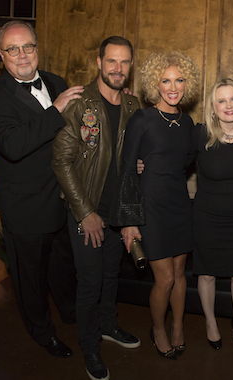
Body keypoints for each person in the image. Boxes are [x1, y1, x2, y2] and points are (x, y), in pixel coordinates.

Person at [0, 20, 82, 358]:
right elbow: (14, 144)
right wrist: (56, 110)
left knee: (63, 268)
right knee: (31, 279)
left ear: (38, 48)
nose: (22, 55)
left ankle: (72, 315)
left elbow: (74, 137)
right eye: (13, 49)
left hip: (63, 200)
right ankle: (42, 333)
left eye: (28, 47)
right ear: (1, 56)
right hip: (26, 206)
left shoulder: (55, 82)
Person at [52, 36, 142, 380]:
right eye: (112, 61)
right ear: (99, 62)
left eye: (124, 62)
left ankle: (108, 326)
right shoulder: (78, 104)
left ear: (130, 66)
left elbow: (132, 156)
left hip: (117, 212)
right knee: (90, 283)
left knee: (111, 276)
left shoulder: (134, 107)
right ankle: (90, 347)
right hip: (85, 211)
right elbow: (61, 162)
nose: (118, 69)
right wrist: (85, 212)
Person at [116, 51, 200, 360]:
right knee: (163, 278)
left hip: (179, 203)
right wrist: (128, 219)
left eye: (179, 80)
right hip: (149, 207)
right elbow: (126, 169)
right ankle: (158, 329)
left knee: (180, 274)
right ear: (155, 84)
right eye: (165, 80)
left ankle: (177, 326)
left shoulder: (188, 121)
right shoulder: (143, 118)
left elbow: (187, 161)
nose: (173, 87)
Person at [191, 79, 233, 350]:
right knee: (206, 275)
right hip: (207, 217)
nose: (228, 106)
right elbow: (170, 158)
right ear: (213, 107)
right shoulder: (200, 135)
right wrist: (142, 161)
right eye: (221, 100)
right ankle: (210, 322)